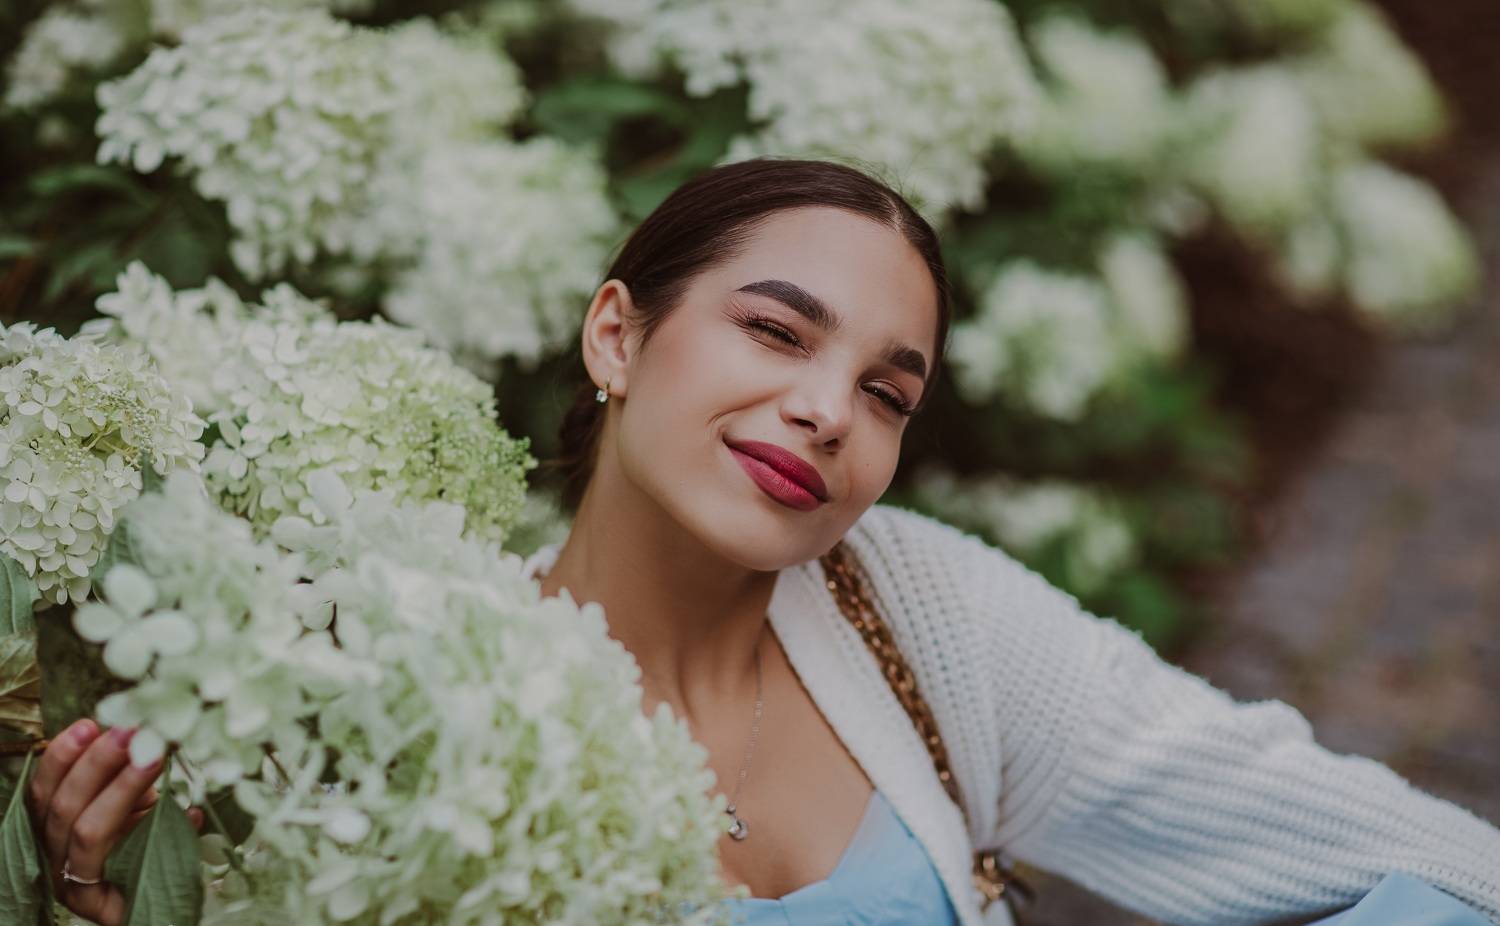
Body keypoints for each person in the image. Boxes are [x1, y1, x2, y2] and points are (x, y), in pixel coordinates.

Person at [26, 157, 1500, 926]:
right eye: (777, 331)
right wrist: (103, 905)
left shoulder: (926, 617)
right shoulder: (395, 692)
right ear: (618, 334)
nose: (826, 411)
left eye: (887, 391)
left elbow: (1355, 835)